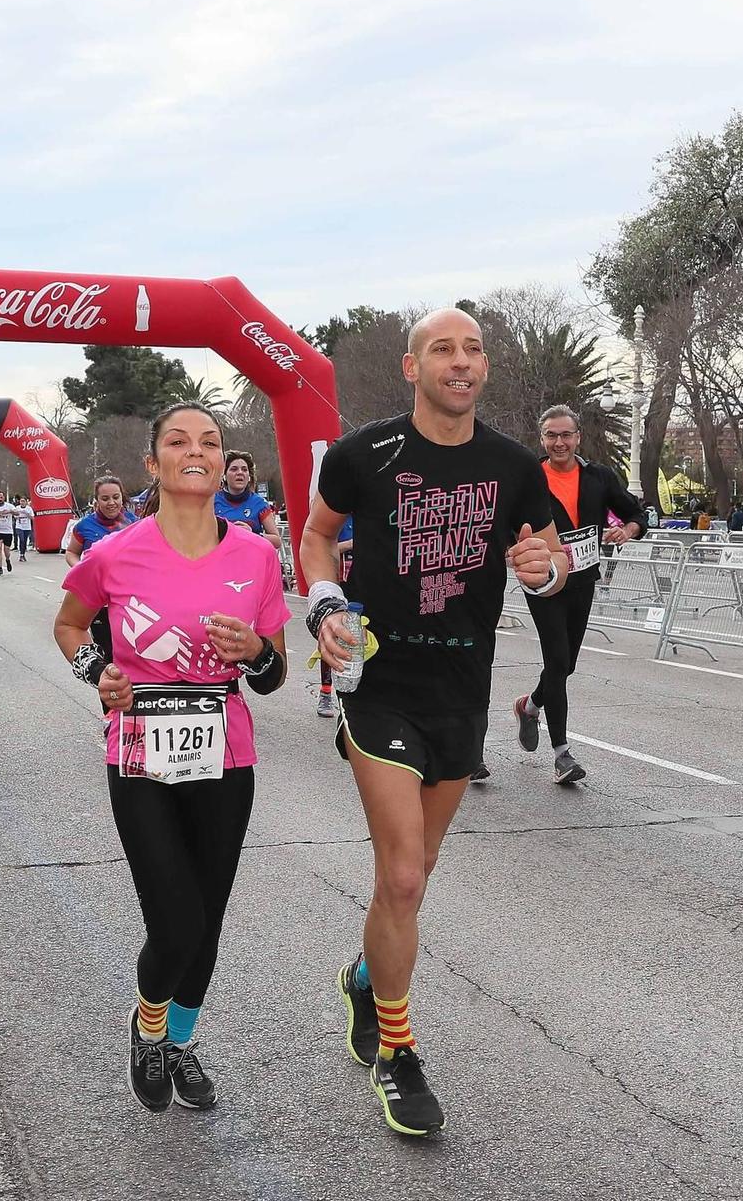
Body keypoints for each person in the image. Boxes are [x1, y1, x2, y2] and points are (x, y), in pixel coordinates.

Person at [301, 307, 566, 1137]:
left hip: (464, 686)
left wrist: (545, 570)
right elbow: (314, 536)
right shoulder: (363, 455)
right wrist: (323, 605)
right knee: (405, 875)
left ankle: (362, 976)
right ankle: (399, 1052)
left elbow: (556, 558)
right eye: (443, 350)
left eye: (473, 349)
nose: (462, 362)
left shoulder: (515, 467)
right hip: (379, 682)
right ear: (412, 367)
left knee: (409, 880)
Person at [53, 403, 290, 1115]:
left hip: (226, 756)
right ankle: (147, 1028)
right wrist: (97, 671)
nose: (198, 451)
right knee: (176, 920)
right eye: (179, 442)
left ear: (224, 464)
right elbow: (68, 624)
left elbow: (275, 673)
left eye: (211, 443)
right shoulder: (115, 552)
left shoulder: (254, 555)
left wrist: (256, 652)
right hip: (140, 754)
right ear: (153, 465)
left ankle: (179, 1042)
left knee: (208, 920)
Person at [509, 406, 643, 785]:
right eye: (552, 435)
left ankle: (530, 706)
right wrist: (509, 547)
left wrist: (627, 530)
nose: (559, 442)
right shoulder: (529, 478)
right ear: (542, 439)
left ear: (578, 437)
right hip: (545, 581)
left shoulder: (598, 477)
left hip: (583, 581)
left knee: (565, 666)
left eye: (566, 435)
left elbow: (634, 513)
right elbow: (505, 518)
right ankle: (561, 754)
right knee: (557, 662)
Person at [316, 518, 353, 718]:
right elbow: (318, 546)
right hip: (338, 586)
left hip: (366, 585)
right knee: (332, 636)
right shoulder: (335, 514)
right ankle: (326, 693)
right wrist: (349, 544)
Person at [64, 476, 138, 563]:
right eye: (105, 499)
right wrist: (80, 570)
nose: (111, 503)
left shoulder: (134, 522)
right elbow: (71, 552)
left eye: (116, 497)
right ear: (97, 501)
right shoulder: (84, 526)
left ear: (122, 498)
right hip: (96, 576)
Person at [212, 451, 279, 536]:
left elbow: (276, 540)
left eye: (244, 469)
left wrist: (252, 534)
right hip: (222, 548)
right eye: (234, 469)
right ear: (224, 475)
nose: (240, 473)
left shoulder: (259, 503)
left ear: (249, 477)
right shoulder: (212, 501)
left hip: (251, 548)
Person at [13, 497, 35, 562]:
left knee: (25, 541)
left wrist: (27, 514)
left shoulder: (29, 508)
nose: (22, 502)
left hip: (27, 527)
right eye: (21, 501)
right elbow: (15, 516)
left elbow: (32, 518)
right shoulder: (17, 508)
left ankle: (23, 554)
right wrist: (18, 515)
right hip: (19, 526)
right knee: (21, 539)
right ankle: (21, 555)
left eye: (23, 501)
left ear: (26, 502)